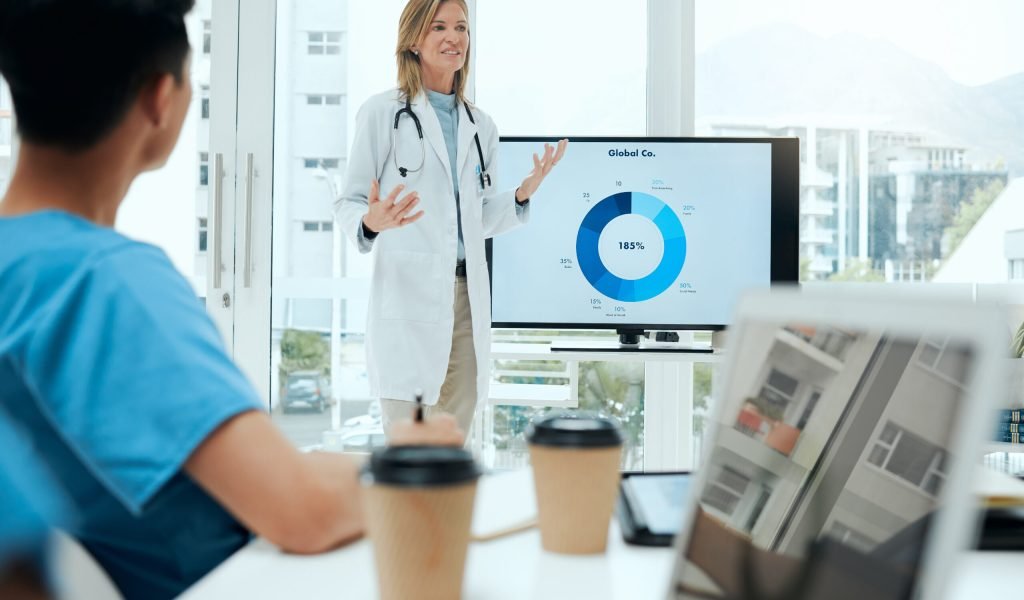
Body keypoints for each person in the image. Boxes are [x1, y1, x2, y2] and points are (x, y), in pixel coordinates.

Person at [0, 1, 461, 598]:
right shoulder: (105, 284)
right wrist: (404, 457)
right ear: (160, 100)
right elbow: (304, 512)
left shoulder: (25, 269)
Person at [335, 0, 568, 437]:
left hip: (468, 297)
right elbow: (347, 202)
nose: (454, 37)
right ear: (414, 40)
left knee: (453, 445)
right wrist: (372, 221)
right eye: (439, 26)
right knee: (409, 451)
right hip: (410, 296)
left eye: (461, 27)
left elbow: (476, 220)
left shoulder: (482, 125)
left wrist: (519, 196)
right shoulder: (382, 112)